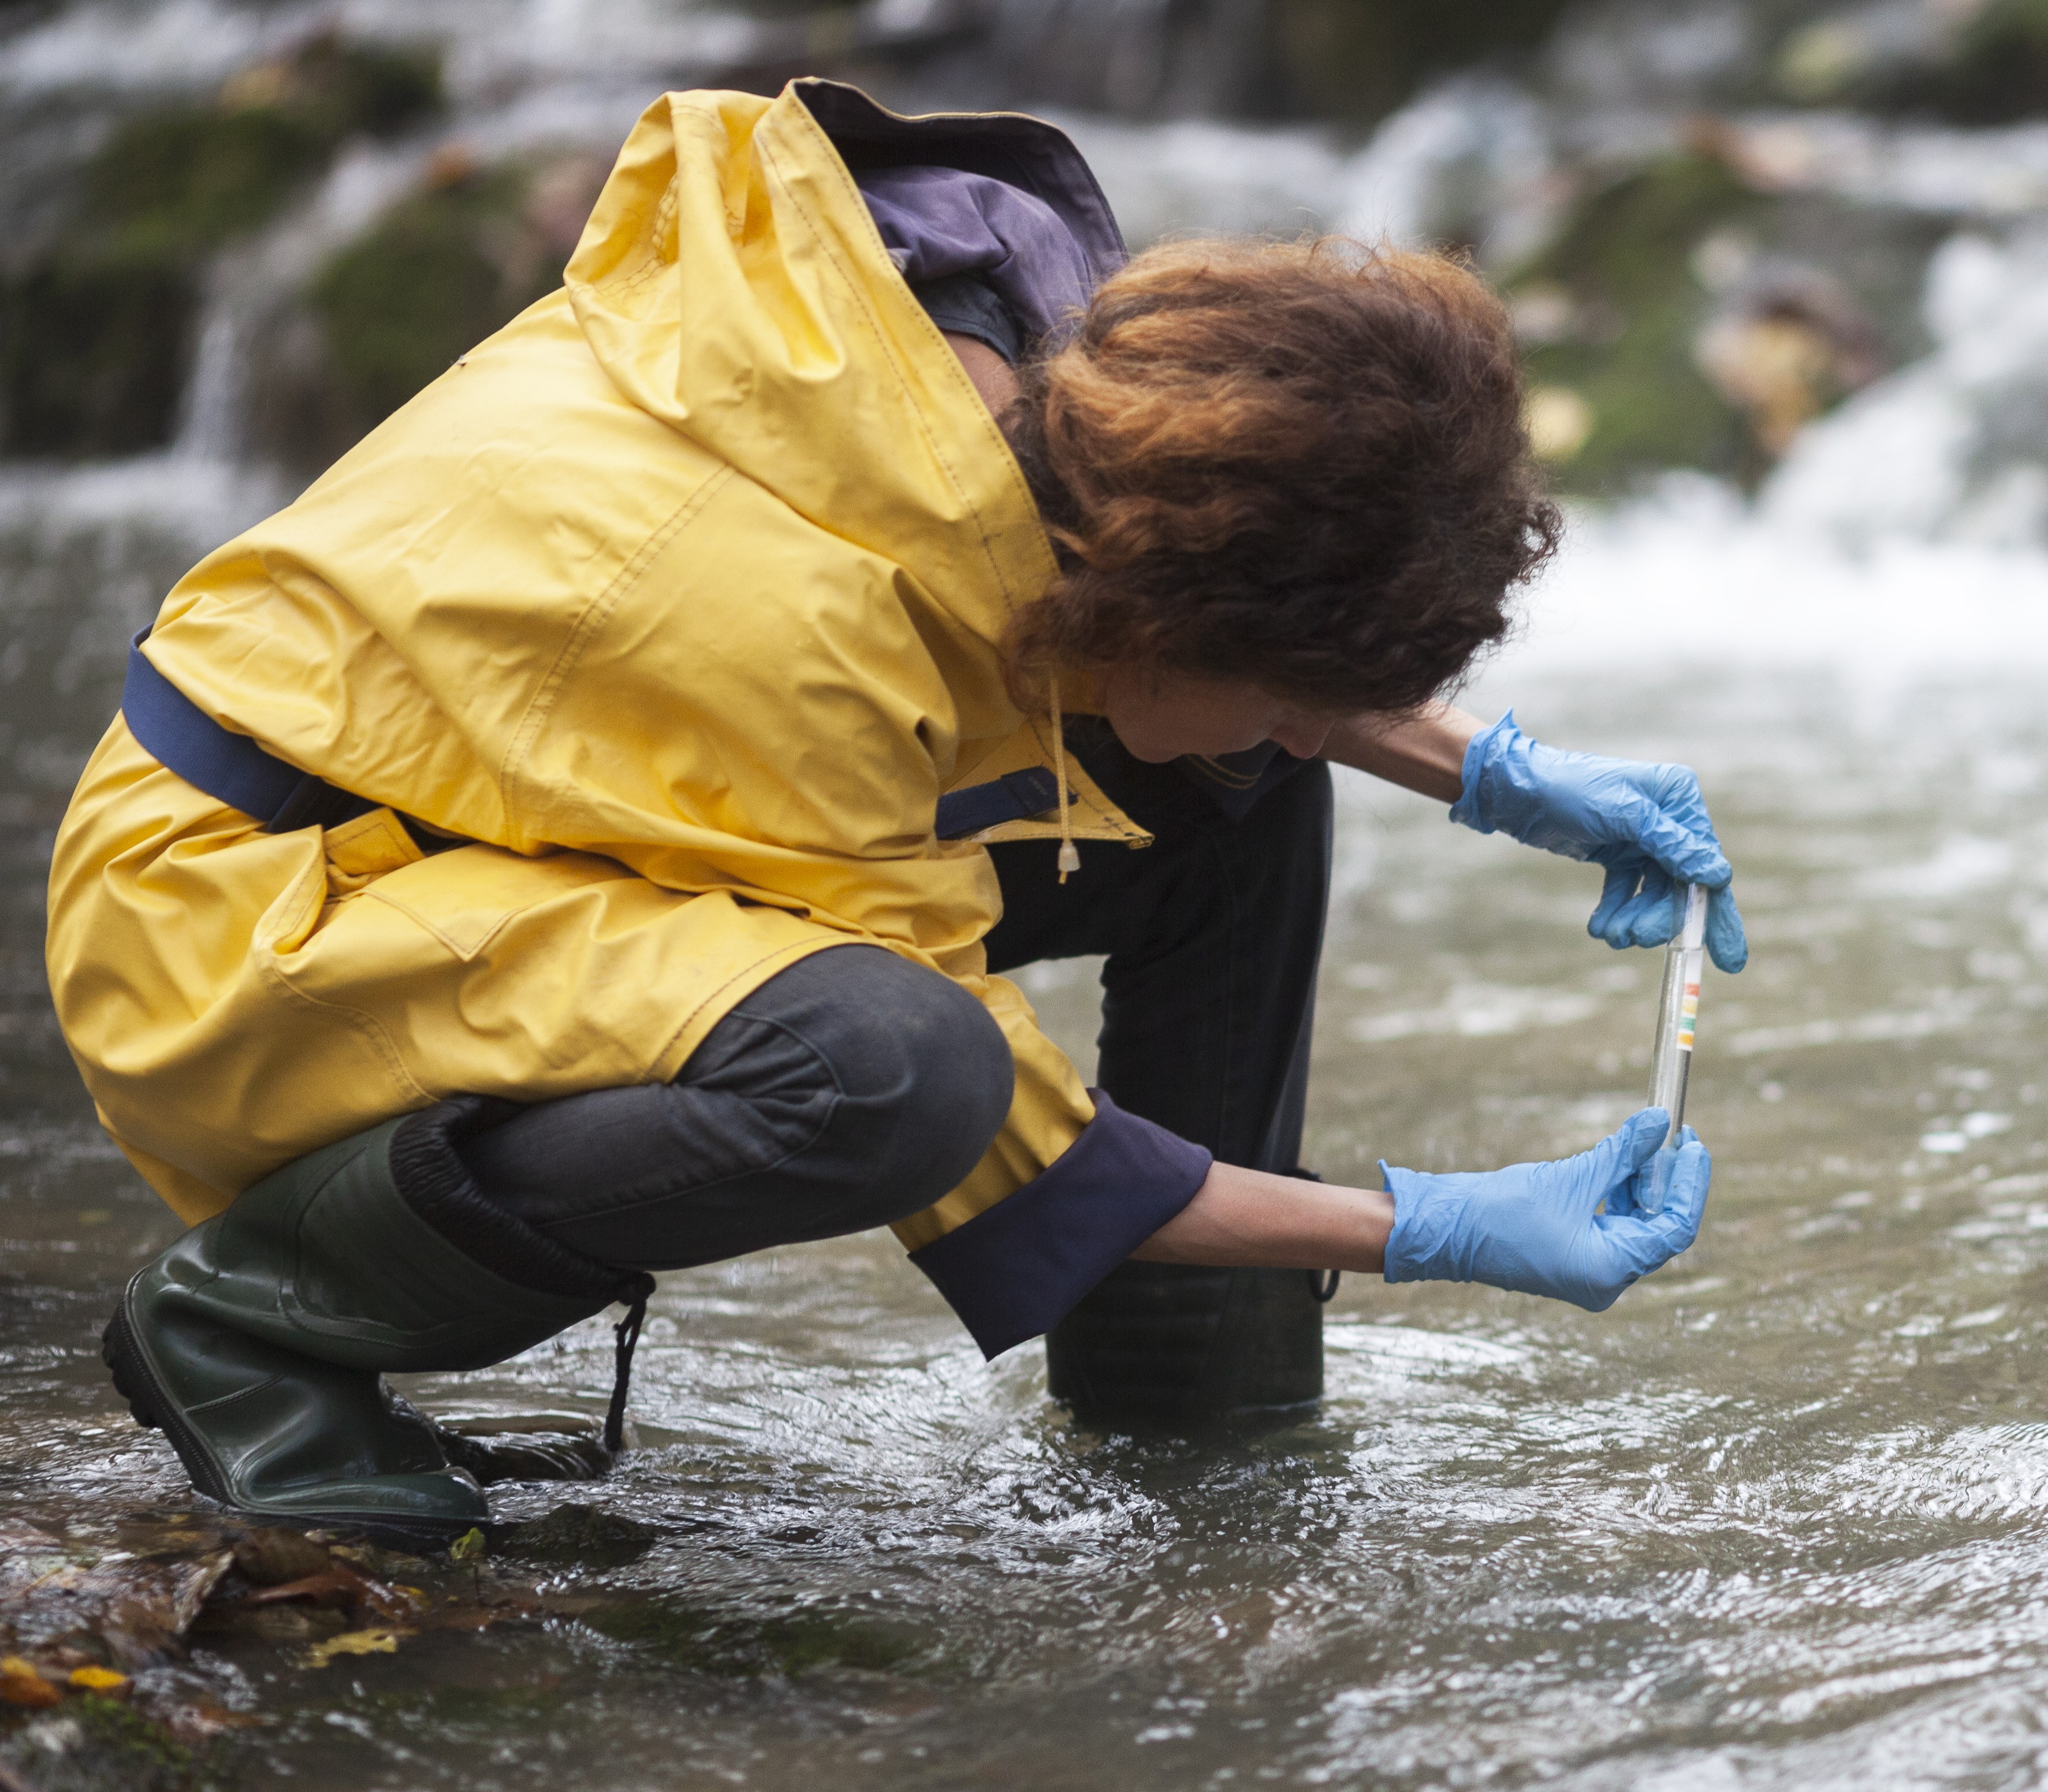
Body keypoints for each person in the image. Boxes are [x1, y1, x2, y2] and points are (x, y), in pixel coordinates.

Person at [41, 80, 1748, 1544]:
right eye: (1294, 686)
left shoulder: (1039, 373)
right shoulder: (803, 630)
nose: (1321, 730)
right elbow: (1011, 1145)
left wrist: (1498, 776)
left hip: (494, 807)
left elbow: (1207, 661)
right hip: (253, 911)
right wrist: (1435, 1229)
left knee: (1237, 790)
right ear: (1151, 610)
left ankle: (1192, 1400)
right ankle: (256, 1328)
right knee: (889, 1068)